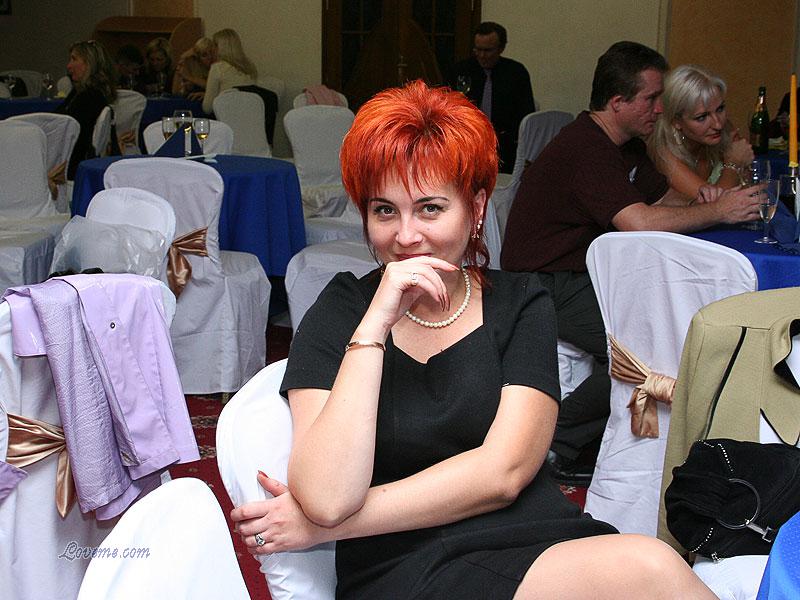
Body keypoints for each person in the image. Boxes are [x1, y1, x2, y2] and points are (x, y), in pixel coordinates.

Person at [229, 80, 716, 600]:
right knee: (650, 568)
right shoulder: (342, 310)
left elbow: (504, 473)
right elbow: (326, 497)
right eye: (384, 210)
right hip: (406, 564)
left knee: (644, 569)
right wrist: (373, 328)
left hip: (536, 536)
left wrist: (328, 529)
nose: (406, 236)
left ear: (476, 207)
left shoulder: (521, 302)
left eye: (430, 208)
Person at [501, 41, 762, 484]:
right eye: (652, 98)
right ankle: (554, 443)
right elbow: (638, 221)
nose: (660, 109)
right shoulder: (586, 147)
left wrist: (704, 195)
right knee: (645, 349)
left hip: (585, 275)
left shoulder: (626, 146)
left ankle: (624, 442)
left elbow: (661, 203)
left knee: (669, 325)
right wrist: (718, 210)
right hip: (543, 282)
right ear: (618, 101)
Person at [648, 64, 753, 198]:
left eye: (720, 109)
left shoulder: (724, 128)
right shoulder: (664, 153)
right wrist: (734, 163)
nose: (718, 124)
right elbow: (715, 206)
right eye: (702, 117)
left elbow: (748, 186)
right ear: (676, 122)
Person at [449, 22, 535, 173]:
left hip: (505, 146)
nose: (482, 55)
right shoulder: (462, 70)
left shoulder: (516, 73)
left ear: (501, 49)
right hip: (468, 144)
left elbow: (526, 114)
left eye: (488, 51)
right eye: (478, 49)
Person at [56, 40, 117, 179]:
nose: (69, 66)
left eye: (74, 59)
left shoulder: (89, 98)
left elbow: (68, 131)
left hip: (71, 168)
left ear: (89, 64)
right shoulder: (84, 92)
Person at [201, 28, 257, 114]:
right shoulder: (250, 67)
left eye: (214, 46)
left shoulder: (217, 68)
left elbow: (207, 108)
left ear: (219, 48)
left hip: (226, 116)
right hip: (249, 115)